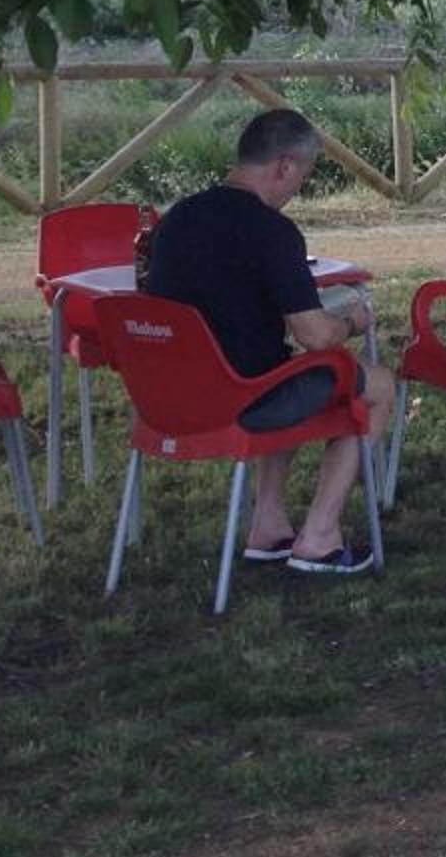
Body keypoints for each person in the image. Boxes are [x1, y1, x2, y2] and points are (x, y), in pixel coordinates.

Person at [146, 109, 385, 573]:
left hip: (168, 400)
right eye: (303, 177)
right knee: (377, 387)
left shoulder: (175, 221)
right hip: (242, 402)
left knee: (283, 366)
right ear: (285, 167)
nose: (297, 189)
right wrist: (352, 322)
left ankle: (269, 528)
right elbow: (316, 336)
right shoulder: (273, 233)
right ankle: (320, 537)